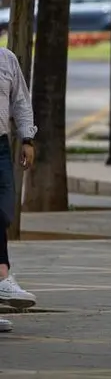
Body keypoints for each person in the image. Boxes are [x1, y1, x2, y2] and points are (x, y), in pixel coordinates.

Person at [0, 48, 37, 334]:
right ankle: (2, 277)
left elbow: (21, 102)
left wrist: (27, 138)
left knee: (2, 210)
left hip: (0, 145)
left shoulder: (7, 59)